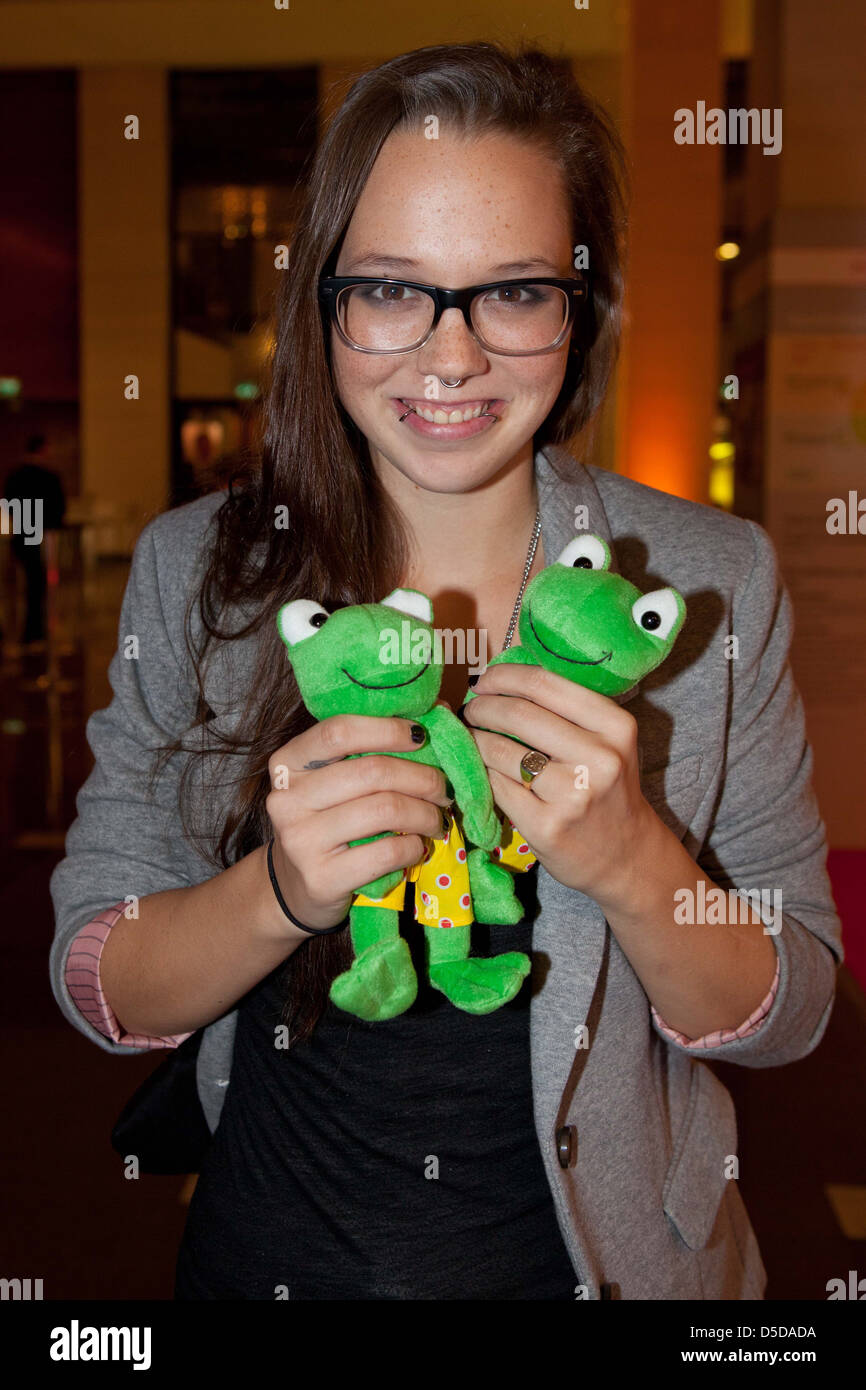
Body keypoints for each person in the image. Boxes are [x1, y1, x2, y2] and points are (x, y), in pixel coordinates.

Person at [48, 42, 842, 1301]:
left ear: (578, 308)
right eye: (391, 291)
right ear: (323, 303)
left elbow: (791, 1005)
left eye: (513, 292)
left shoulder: (703, 578)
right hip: (267, 1262)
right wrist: (281, 893)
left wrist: (634, 862)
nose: (452, 355)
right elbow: (98, 974)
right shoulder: (199, 568)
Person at [3, 433, 66, 644]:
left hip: (21, 531)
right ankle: (37, 629)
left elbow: (8, 505)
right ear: (43, 449)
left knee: (24, 582)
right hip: (44, 534)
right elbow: (58, 509)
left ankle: (23, 628)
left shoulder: (15, 476)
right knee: (39, 583)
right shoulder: (49, 477)